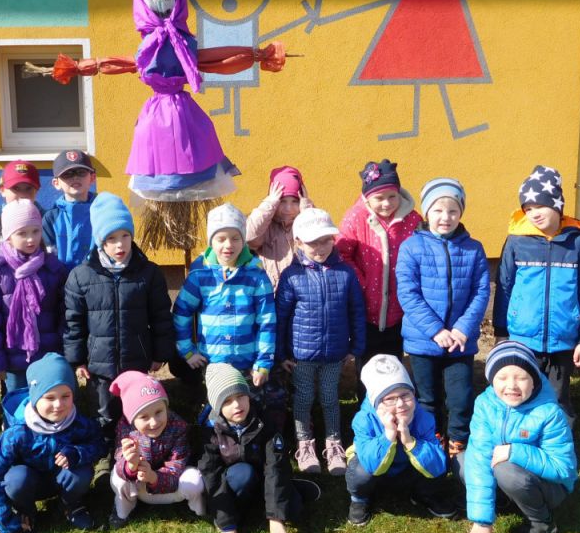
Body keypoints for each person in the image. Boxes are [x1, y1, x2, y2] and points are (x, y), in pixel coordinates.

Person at [63, 192, 175, 451]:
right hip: (99, 365)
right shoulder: (81, 276)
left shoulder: (149, 273)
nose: (120, 244)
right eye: (111, 239)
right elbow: (74, 321)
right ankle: (104, 455)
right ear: (100, 241)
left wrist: (160, 353)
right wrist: (77, 359)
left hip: (137, 360)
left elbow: (160, 315)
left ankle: (138, 455)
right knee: (104, 413)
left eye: (125, 235)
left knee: (137, 412)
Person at [492, 165, 580, 420]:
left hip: (563, 337)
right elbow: (504, 286)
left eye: (540, 206)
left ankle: (557, 441)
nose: (534, 214)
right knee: (521, 394)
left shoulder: (578, 242)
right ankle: (520, 439)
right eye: (527, 209)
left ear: (557, 205)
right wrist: (501, 332)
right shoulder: (516, 241)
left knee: (557, 397)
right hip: (522, 338)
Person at [396, 177, 489, 460]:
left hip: (460, 341)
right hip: (424, 340)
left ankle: (458, 441)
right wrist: (436, 330)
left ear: (461, 213)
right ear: (426, 212)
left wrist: (462, 329)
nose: (445, 217)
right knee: (428, 397)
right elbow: (408, 293)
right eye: (437, 210)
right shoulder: (411, 247)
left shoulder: (473, 248)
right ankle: (432, 438)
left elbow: (480, 291)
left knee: (460, 397)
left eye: (452, 210)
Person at [462, 341, 577, 533]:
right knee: (464, 460)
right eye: (502, 378)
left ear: (534, 380)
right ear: (491, 380)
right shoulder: (485, 404)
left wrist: (515, 451)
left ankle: (542, 523)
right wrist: (482, 520)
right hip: (514, 476)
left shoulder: (549, 412)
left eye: (521, 378)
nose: (512, 386)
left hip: (550, 487)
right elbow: (480, 456)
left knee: (506, 470)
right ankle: (505, 501)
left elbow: (563, 468)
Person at [276, 208, 365, 476]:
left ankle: (334, 444)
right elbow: (281, 317)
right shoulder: (292, 276)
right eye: (313, 242)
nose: (321, 247)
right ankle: (304, 444)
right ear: (298, 242)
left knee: (329, 398)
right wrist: (281, 354)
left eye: (326, 240)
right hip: (301, 355)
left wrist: (356, 347)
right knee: (303, 398)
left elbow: (356, 311)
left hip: (335, 353)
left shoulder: (346, 273)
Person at [0, 353, 104, 533]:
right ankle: (26, 511)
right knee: (16, 479)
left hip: (62, 479)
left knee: (81, 472)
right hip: (29, 484)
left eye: (66, 396)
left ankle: (70, 504)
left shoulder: (77, 422)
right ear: (35, 397)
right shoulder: (18, 432)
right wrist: (6, 523)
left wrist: (77, 453)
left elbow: (98, 443)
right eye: (49, 397)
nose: (58, 405)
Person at [198, 364, 320, 533]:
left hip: (264, 476)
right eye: (227, 401)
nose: (237, 405)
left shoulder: (265, 420)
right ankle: (245, 509)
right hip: (236, 482)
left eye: (241, 396)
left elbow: (275, 465)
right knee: (242, 474)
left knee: (294, 509)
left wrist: (276, 518)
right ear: (217, 406)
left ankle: (283, 494)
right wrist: (226, 524)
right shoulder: (210, 432)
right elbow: (211, 477)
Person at [172, 204, 277, 405]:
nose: (228, 245)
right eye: (221, 239)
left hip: (248, 363)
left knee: (248, 408)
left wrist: (263, 361)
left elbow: (267, 321)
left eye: (235, 238)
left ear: (243, 240)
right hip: (213, 363)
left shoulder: (256, 276)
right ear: (211, 241)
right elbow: (181, 313)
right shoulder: (200, 275)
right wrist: (187, 350)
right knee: (218, 409)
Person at [336, 159, 423, 399]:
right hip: (366, 309)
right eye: (379, 198)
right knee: (367, 365)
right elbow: (342, 253)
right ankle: (367, 407)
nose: (386, 203)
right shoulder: (356, 217)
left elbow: (422, 253)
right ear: (367, 198)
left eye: (392, 196)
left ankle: (394, 406)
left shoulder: (413, 220)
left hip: (399, 308)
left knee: (394, 362)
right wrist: (362, 283)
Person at [344, 354, 456, 527]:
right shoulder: (363, 420)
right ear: (376, 402)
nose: (400, 404)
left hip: (406, 469)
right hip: (376, 472)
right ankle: (360, 498)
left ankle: (424, 494)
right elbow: (370, 463)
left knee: (439, 457)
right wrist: (389, 435)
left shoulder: (423, 417)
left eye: (405, 395)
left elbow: (437, 465)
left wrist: (410, 441)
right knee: (360, 471)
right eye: (390, 399)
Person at [0, 199, 67, 394]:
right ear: (8, 236)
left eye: (35, 231)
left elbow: (63, 313)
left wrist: (65, 351)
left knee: (49, 402)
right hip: (13, 359)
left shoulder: (53, 267)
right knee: (19, 403)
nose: (30, 239)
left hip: (48, 355)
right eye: (22, 233)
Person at [107, 370, 206, 529]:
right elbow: (119, 461)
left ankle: (198, 508)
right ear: (132, 419)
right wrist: (131, 465)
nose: (154, 422)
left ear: (166, 407)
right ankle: (123, 510)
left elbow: (177, 467)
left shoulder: (178, 427)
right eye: (144, 417)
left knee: (194, 479)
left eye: (159, 412)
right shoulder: (125, 429)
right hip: (139, 489)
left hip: (170, 488)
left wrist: (153, 477)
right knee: (118, 477)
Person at [246, 165, 315, 289]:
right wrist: (269, 204)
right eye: (282, 201)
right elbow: (249, 236)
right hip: (270, 292)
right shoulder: (265, 226)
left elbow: (316, 240)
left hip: (301, 294)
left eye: (295, 201)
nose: (288, 209)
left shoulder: (304, 221)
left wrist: (307, 209)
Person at [0, 159, 42, 272]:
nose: (22, 194)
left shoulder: (46, 220)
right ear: (2, 190)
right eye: (16, 188)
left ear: (37, 190)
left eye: (28, 188)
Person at [41, 149, 97, 272]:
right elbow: (46, 258)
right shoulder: (51, 218)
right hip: (62, 281)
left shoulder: (102, 212)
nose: (75, 177)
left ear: (92, 177)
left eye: (81, 172)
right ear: (56, 183)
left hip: (98, 280)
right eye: (67, 174)